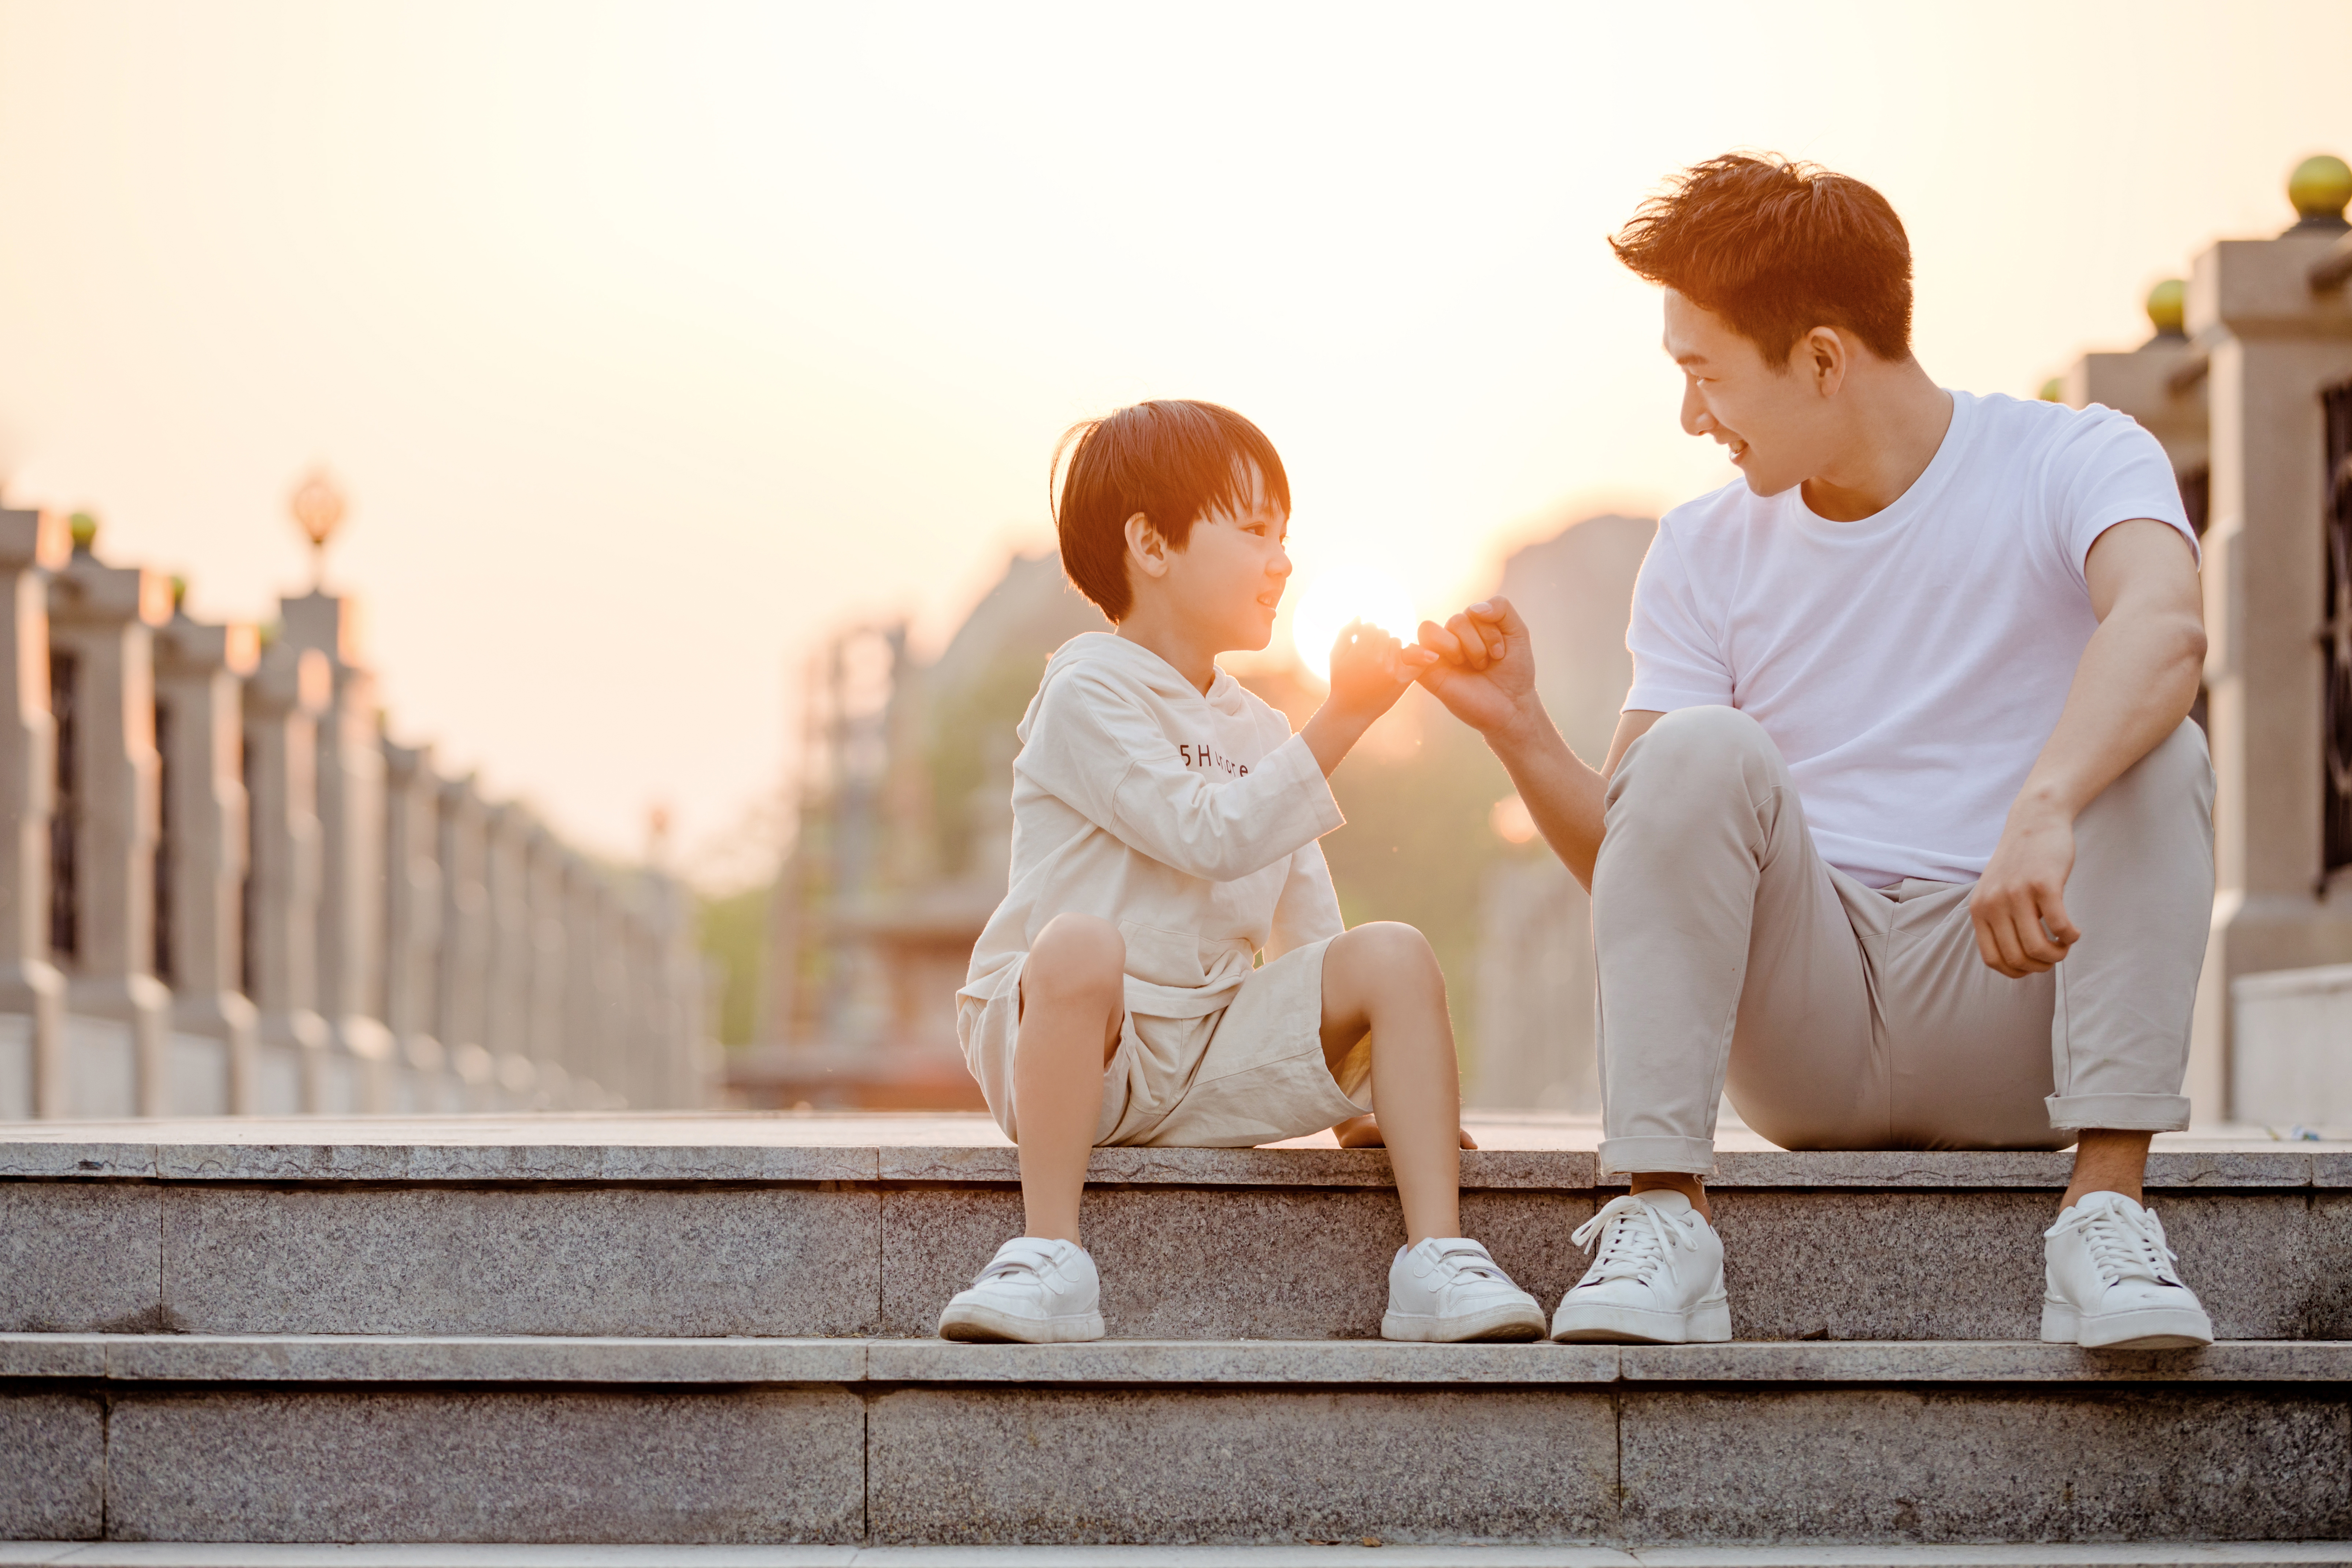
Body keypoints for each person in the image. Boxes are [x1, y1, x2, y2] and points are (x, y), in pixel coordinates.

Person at [1419, 155, 2216, 1352]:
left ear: (1825, 359)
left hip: (2016, 1001)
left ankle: (2105, 1214)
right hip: (1812, 1019)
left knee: (2163, 749)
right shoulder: (1701, 549)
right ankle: (1663, 1222)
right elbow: (1643, 857)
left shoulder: (2075, 459)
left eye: (1706, 376)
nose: (1692, 417)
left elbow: (2168, 623)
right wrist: (1524, 730)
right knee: (1690, 750)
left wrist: (2046, 800)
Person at [940, 399, 1546, 1345]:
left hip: (1212, 1043)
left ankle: (1438, 1258)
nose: (1283, 560)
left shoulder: (1261, 728)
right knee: (1081, 945)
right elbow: (1207, 834)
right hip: (1079, 1050)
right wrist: (1343, 718)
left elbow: (1308, 922)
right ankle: (1049, 1254)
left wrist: (1360, 1086)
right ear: (1152, 543)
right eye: (1256, 529)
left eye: (1287, 534)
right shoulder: (1087, 687)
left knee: (1392, 954)